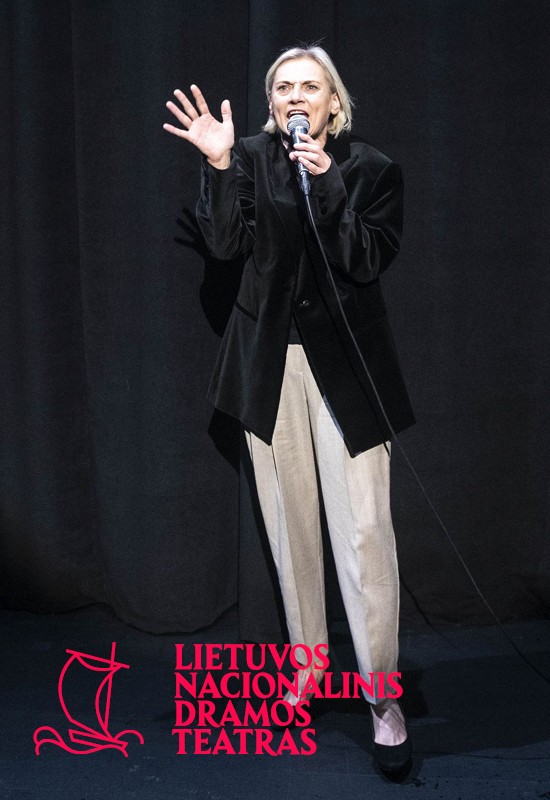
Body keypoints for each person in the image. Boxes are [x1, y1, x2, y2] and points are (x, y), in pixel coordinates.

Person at [164, 45, 415, 773]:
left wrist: (327, 181)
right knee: (290, 527)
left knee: (364, 532)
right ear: (272, 103)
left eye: (310, 86)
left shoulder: (370, 169)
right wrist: (218, 166)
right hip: (270, 365)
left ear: (334, 102)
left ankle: (383, 697)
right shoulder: (247, 158)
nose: (295, 97)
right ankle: (307, 671)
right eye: (283, 87)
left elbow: (365, 259)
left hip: (348, 371)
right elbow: (223, 245)